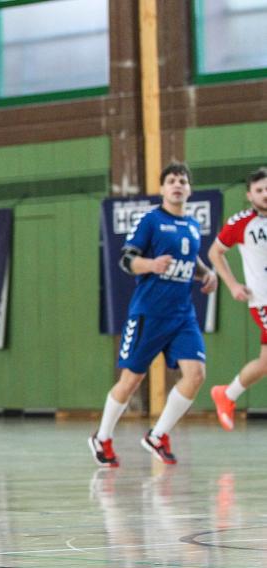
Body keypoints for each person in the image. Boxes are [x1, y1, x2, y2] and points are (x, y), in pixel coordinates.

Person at [89, 163, 218, 467]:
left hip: (182, 315)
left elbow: (190, 257)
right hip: (149, 313)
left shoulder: (191, 225)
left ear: (189, 190)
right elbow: (127, 260)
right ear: (162, 189)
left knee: (196, 375)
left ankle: (157, 435)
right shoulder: (151, 221)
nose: (177, 185)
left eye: (182, 181)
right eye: (171, 180)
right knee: (131, 380)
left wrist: (206, 273)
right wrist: (151, 265)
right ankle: (102, 437)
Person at [208, 167, 267, 431]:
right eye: (259, 190)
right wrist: (232, 285)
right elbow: (215, 253)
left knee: (265, 363)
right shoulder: (241, 222)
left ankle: (227, 394)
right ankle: (227, 394)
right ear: (249, 195)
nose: (265, 194)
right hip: (263, 300)